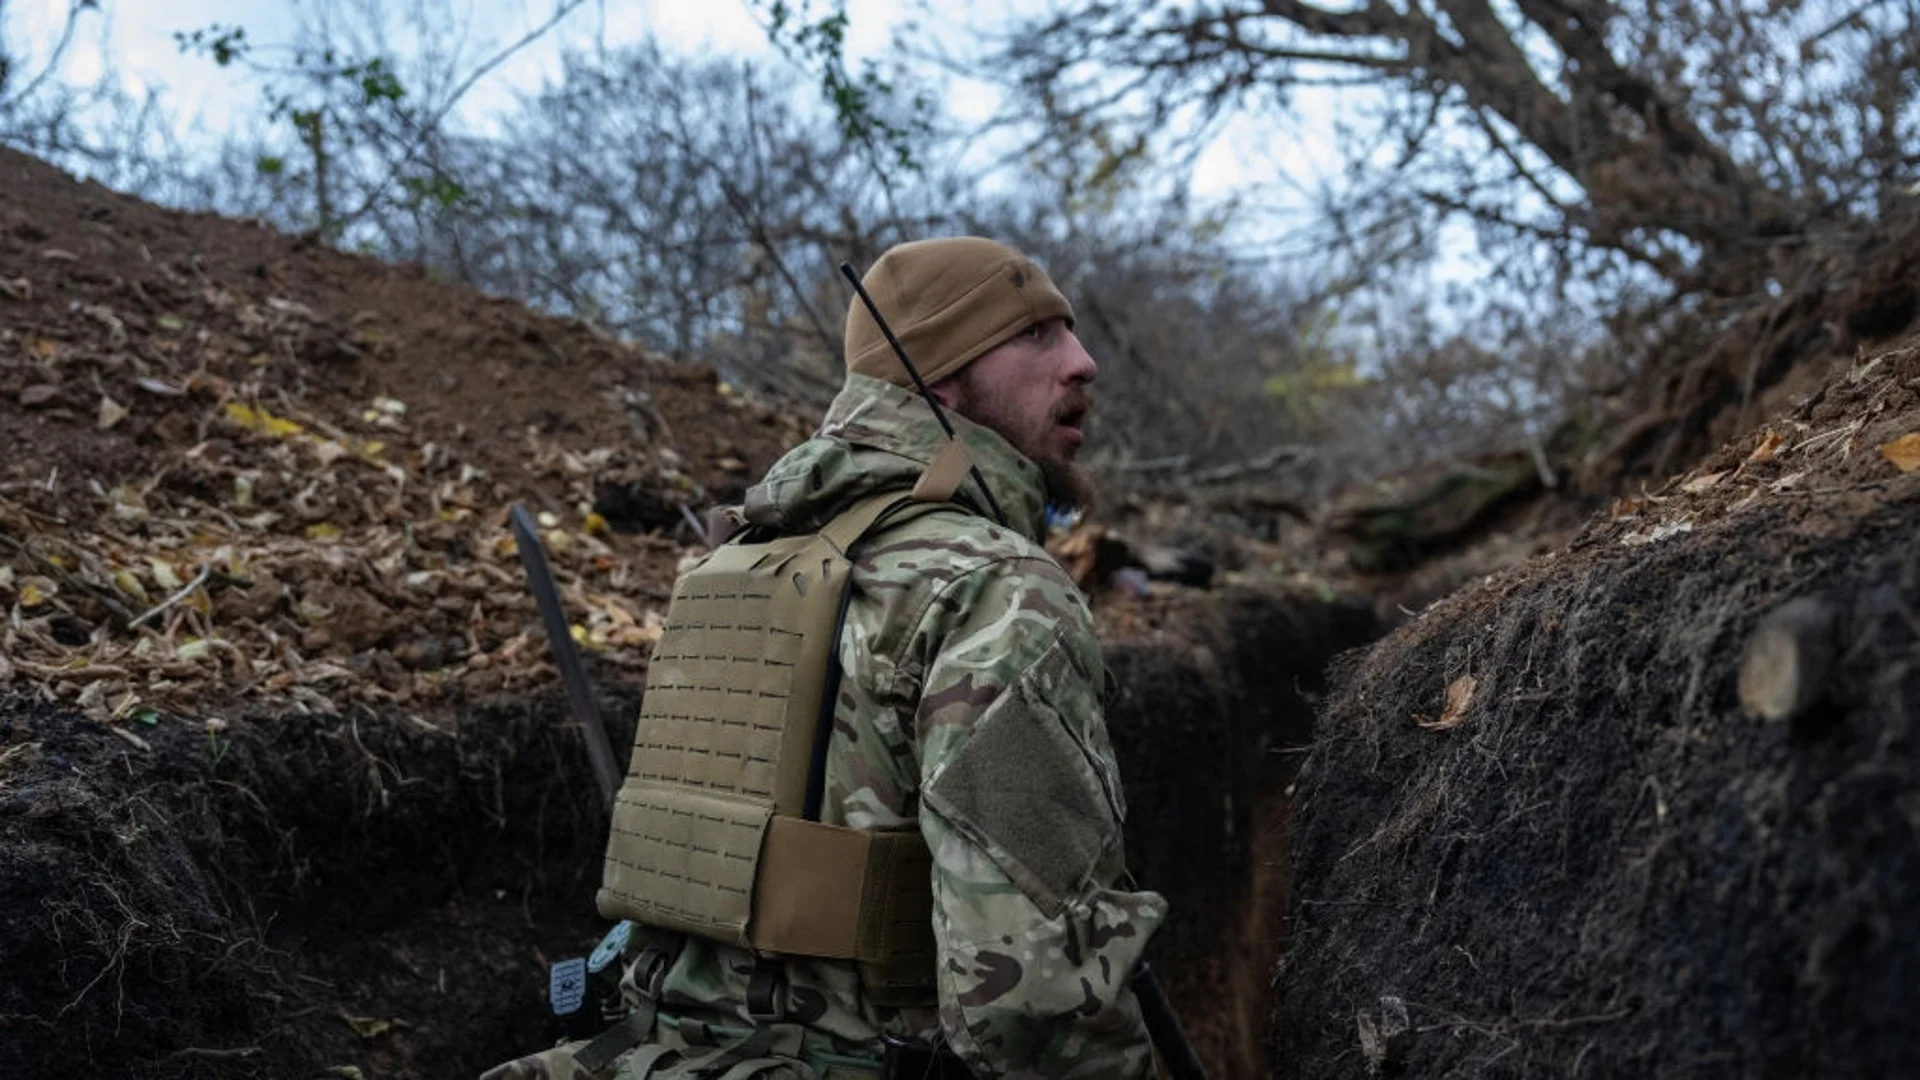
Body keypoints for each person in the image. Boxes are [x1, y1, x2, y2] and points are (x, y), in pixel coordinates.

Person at [484, 237, 1165, 1079]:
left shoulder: (735, 564)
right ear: (941, 377)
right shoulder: (996, 587)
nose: (1083, 362)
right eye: (1034, 336)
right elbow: (1035, 1005)